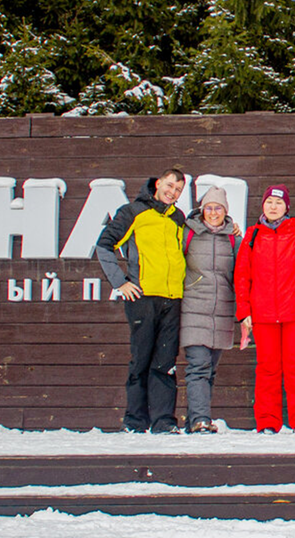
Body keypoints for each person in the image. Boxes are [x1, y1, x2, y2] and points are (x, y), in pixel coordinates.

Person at [95, 168, 187, 433]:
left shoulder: (178, 218)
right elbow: (104, 245)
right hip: (143, 297)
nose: (172, 192)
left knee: (166, 362)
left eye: (178, 190)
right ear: (158, 183)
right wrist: (120, 283)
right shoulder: (133, 212)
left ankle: (163, 421)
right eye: (170, 186)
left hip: (172, 299)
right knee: (141, 359)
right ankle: (135, 421)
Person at [235, 184, 295, 434]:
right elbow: (242, 276)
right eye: (269, 202)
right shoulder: (252, 236)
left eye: (278, 203)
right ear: (263, 205)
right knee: (267, 369)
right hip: (262, 315)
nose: (273, 207)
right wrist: (245, 312)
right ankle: (267, 422)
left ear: (287, 207)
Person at [180, 186, 240, 434]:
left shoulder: (234, 238)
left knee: (210, 370)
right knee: (198, 366)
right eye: (209, 208)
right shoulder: (188, 233)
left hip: (223, 310)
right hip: (193, 307)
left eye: (218, 208)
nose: (213, 212)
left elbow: (240, 274)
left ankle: (195, 418)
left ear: (225, 211)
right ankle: (200, 420)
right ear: (201, 210)